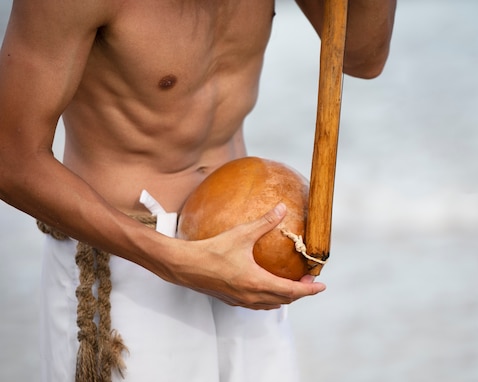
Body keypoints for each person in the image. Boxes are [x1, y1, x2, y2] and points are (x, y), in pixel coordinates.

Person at [0, 0, 396, 381]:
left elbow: (362, 55)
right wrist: (174, 261)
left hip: (248, 264)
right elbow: (10, 159)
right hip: (127, 266)